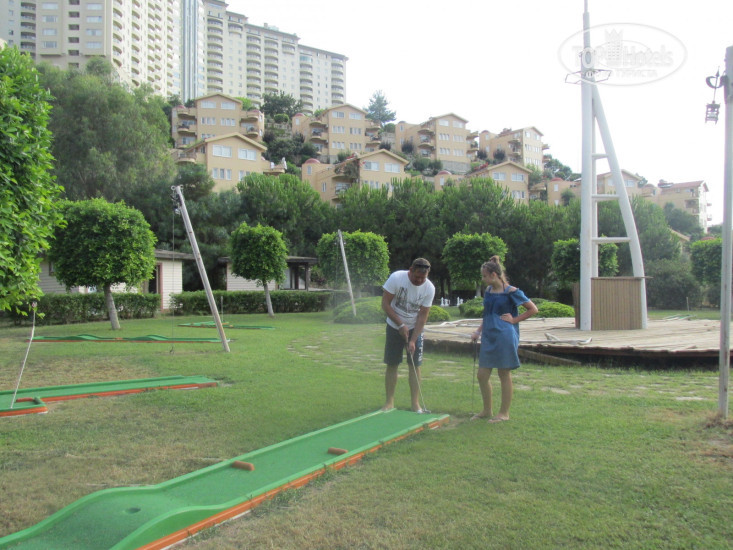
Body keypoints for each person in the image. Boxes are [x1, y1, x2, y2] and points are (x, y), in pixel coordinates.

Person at [470, 255, 537, 422]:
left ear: (494, 275)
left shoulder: (511, 292)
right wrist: (478, 331)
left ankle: (504, 413)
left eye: (485, 276)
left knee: (503, 373)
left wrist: (514, 320)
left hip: (504, 335)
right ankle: (487, 410)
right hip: (488, 335)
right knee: (482, 375)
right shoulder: (488, 291)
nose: (483, 279)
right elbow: (487, 314)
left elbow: (533, 309)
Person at [381, 258, 435, 412]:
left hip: (415, 328)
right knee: (392, 363)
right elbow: (385, 304)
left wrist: (413, 339)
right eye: (417, 277)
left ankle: (415, 404)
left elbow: (423, 316)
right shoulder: (396, 278)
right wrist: (400, 324)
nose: (419, 281)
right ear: (410, 270)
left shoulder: (429, 288)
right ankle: (389, 402)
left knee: (415, 365)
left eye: (423, 278)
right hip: (394, 325)